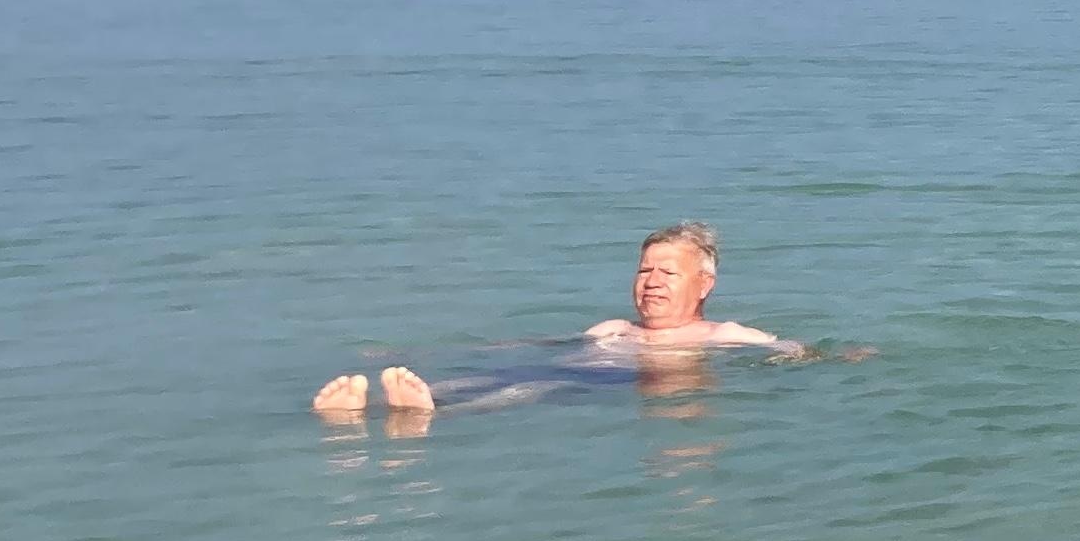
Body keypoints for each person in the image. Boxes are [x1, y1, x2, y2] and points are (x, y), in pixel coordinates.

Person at [311, 221, 810, 423]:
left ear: (703, 285)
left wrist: (837, 356)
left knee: (532, 389)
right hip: (578, 363)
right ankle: (376, 404)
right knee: (498, 377)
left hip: (614, 382)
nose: (651, 281)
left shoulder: (723, 335)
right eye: (644, 270)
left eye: (666, 272)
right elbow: (528, 344)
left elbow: (788, 350)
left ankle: (421, 412)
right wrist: (421, 354)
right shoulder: (612, 329)